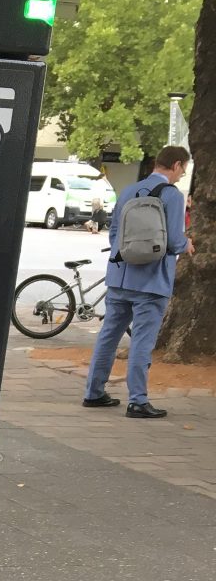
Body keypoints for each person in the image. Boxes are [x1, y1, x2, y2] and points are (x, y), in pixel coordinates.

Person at [82, 145, 193, 419]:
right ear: (176, 165)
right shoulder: (173, 195)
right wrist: (187, 243)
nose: (181, 176)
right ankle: (137, 400)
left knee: (109, 335)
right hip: (152, 281)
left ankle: (94, 392)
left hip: (120, 276)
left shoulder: (129, 191)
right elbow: (175, 241)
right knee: (142, 340)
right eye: (183, 170)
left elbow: (115, 234)